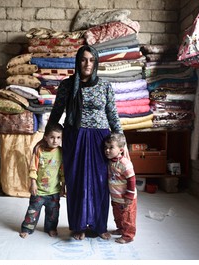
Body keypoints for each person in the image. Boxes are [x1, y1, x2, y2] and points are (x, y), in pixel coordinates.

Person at [46, 45, 123, 240]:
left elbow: (112, 115)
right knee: (76, 181)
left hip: (100, 139)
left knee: (99, 182)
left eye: (91, 60)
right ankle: (78, 225)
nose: (87, 64)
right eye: (83, 59)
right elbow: (56, 113)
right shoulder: (67, 85)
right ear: (78, 62)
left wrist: (121, 141)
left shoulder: (105, 86)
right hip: (75, 136)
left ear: (96, 62)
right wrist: (46, 137)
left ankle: (99, 226)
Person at [19, 123, 65, 238]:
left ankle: (51, 228)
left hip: (53, 191)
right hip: (39, 190)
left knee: (53, 213)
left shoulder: (61, 152)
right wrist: (33, 183)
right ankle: (27, 229)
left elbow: (62, 171)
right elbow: (33, 168)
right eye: (52, 137)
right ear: (45, 137)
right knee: (32, 211)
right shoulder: (39, 150)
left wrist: (63, 186)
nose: (55, 140)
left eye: (58, 137)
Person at [104, 133, 137, 244]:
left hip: (126, 198)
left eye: (111, 148)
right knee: (118, 216)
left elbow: (131, 180)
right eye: (106, 147)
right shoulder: (109, 162)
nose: (107, 150)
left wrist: (129, 196)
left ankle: (128, 236)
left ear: (121, 150)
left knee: (127, 217)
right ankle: (121, 229)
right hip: (116, 197)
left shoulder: (125, 163)